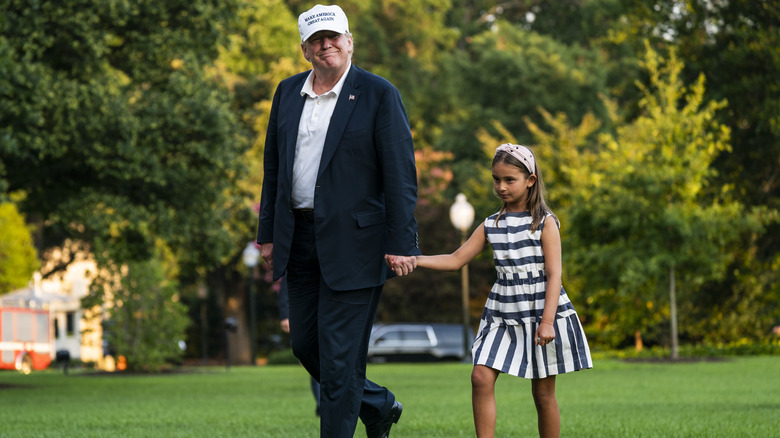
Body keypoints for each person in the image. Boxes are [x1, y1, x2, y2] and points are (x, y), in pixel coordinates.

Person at [256, 4, 419, 437]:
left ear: (349, 41)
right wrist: (268, 235)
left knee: (340, 357)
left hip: (357, 244)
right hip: (299, 238)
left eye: (333, 37)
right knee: (305, 344)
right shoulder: (287, 92)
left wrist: (403, 241)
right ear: (304, 49)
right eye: (316, 40)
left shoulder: (378, 93)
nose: (325, 44)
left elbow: (401, 173)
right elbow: (274, 167)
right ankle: (379, 404)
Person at [397, 144, 593, 438]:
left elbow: (555, 275)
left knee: (542, 394)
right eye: (496, 179)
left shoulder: (545, 223)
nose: (501, 186)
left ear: (530, 180)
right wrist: (415, 259)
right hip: (502, 314)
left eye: (509, 180)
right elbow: (455, 260)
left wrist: (548, 321)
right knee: (480, 376)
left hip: (541, 311)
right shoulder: (492, 224)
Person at [277, 275, 321, 417]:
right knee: (315, 362)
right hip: (307, 316)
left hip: (328, 314)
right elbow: (286, 286)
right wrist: (285, 315)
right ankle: (323, 404)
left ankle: (328, 405)